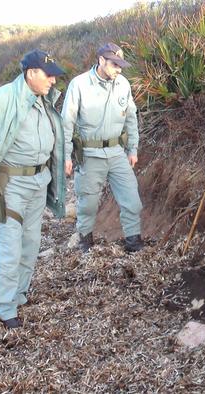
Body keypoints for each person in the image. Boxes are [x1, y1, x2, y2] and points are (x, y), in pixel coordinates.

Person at [0, 50, 67, 329]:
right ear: (31, 73)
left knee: (31, 243)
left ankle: (19, 293)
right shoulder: (1, 99)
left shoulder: (45, 100)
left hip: (39, 181)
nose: (53, 79)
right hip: (11, 184)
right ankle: (6, 306)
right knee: (10, 245)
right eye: (48, 74)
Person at [61, 42, 143, 253]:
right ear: (101, 61)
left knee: (132, 200)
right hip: (90, 154)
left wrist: (132, 149)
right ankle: (85, 243)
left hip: (117, 153)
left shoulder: (123, 84)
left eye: (120, 65)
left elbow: (131, 118)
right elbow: (66, 122)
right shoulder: (79, 84)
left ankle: (133, 243)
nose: (119, 69)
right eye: (114, 64)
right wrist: (65, 156)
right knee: (87, 204)